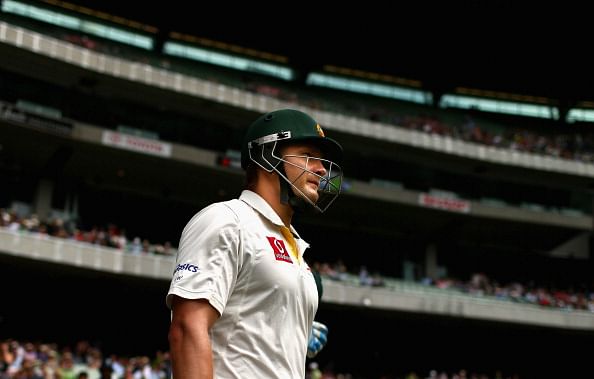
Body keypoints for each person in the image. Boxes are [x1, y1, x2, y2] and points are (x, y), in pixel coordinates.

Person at [166, 108, 344, 378]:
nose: (321, 169)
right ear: (267, 156)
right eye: (308, 156)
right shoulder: (227, 220)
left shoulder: (295, 246)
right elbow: (188, 327)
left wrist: (291, 333)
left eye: (322, 161)